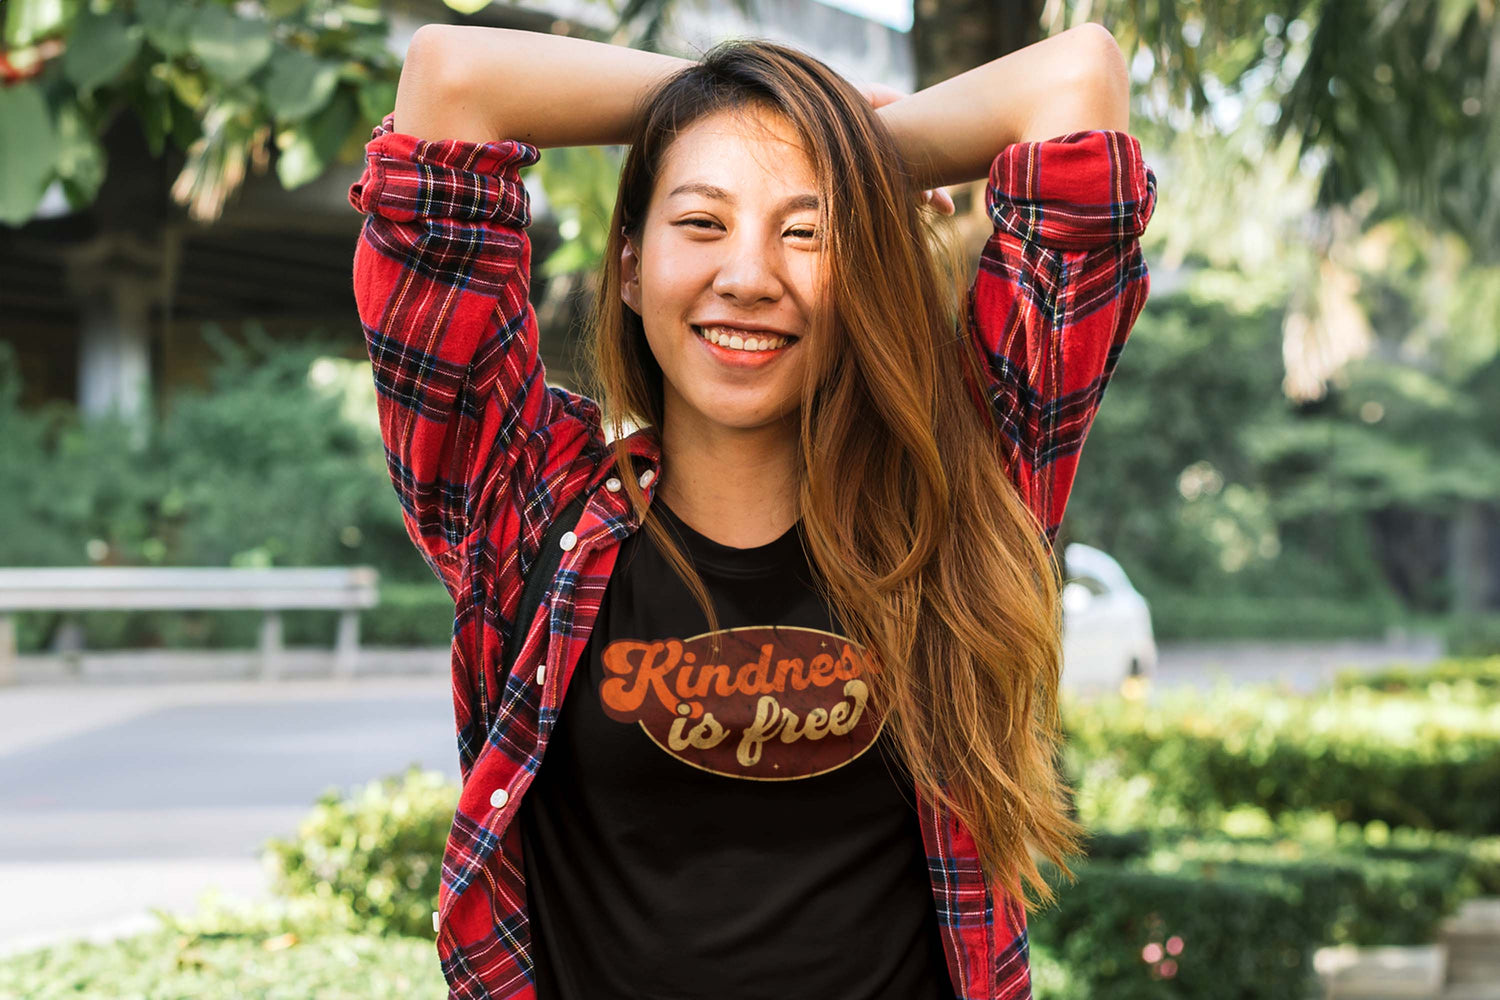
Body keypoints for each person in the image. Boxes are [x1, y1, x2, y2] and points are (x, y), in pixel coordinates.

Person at [349, 21, 1156, 1000]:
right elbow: (454, 75)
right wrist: (754, 102)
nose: (748, 276)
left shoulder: (963, 495)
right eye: (701, 222)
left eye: (808, 231)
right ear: (633, 265)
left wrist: (837, 144)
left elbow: (1078, 77)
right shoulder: (524, 507)